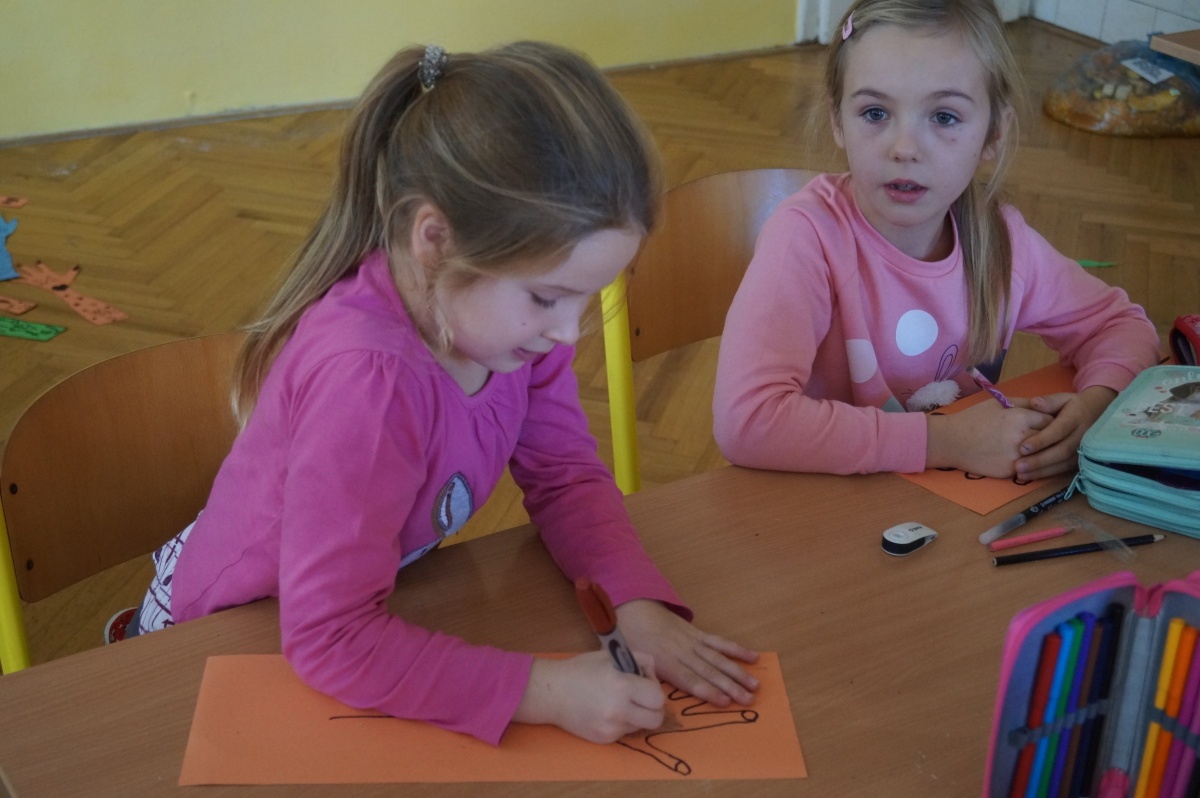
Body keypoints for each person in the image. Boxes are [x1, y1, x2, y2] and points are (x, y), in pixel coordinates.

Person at [111, 41, 759, 746]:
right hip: (220, 641)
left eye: (590, 295)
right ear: (436, 241)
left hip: (351, 599)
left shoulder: (510, 332)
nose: (568, 332)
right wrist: (543, 691)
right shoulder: (367, 385)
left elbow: (564, 475)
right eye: (548, 297)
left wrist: (632, 602)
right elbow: (329, 637)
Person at [713, 0, 1159, 480]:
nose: (905, 149)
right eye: (875, 112)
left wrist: (1098, 405)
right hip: (824, 499)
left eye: (944, 117)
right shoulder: (806, 236)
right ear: (838, 121)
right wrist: (948, 442)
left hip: (944, 506)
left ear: (993, 133)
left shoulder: (1002, 242)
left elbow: (1121, 326)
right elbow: (747, 422)